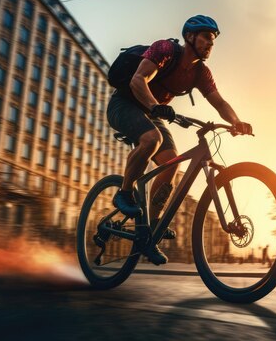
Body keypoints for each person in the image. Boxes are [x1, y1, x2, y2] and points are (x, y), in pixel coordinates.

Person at [106, 15, 252, 265]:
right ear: (189, 36)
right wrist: (155, 107)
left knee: (172, 163)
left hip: (153, 112)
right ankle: (125, 192)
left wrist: (236, 121)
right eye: (206, 37)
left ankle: (149, 230)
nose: (210, 43)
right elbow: (138, 80)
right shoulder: (165, 49)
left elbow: (219, 102)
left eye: (213, 40)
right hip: (125, 104)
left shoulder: (200, 73)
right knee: (151, 139)